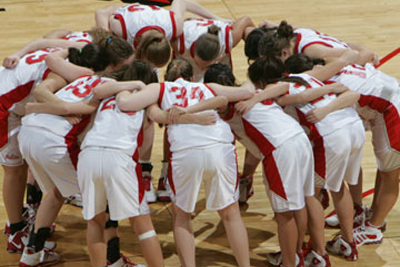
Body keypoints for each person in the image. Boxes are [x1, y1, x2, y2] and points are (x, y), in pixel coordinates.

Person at [116, 58, 254, 267]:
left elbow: (133, 106)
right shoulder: (208, 86)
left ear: (167, 77)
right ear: (192, 77)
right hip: (219, 147)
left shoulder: (160, 88)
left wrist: (127, 88)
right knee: (230, 213)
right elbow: (248, 92)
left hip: (185, 152)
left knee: (181, 215)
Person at [0, 37, 132, 254]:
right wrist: (67, 108)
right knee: (14, 171)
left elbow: (44, 44)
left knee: (37, 174)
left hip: (13, 98)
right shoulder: (81, 73)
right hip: (5, 107)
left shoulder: (77, 46)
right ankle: (16, 232)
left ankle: (25, 221)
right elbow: (41, 95)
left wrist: (19, 52)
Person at [204, 63, 329, 267]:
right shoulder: (253, 91)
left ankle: (290, 262)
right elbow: (284, 86)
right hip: (300, 140)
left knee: (284, 214)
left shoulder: (228, 105)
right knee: (300, 203)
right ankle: (297, 253)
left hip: (280, 149)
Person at [243, 55, 365, 263]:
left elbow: (289, 95)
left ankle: (316, 252)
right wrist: (327, 91)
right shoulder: (305, 77)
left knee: (310, 195)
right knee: (337, 186)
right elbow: (351, 93)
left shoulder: (276, 94)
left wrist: (255, 98)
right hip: (353, 126)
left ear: (261, 83)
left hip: (331, 133)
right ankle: (348, 242)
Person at [284, 53, 400, 246]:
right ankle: (369, 215)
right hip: (385, 105)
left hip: (392, 111)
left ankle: (374, 228)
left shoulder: (323, 82)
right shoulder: (333, 66)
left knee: (390, 173)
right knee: (384, 167)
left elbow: (352, 95)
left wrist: (323, 111)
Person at [95, 0, 227, 68]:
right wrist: (108, 41)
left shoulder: (175, 26)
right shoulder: (121, 27)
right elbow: (100, 12)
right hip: (131, 12)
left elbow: (181, 1)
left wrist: (218, 19)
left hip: (155, 17)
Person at [257, 20, 379, 66]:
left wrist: (365, 51)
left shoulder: (311, 51)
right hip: (339, 50)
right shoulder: (295, 32)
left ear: (284, 52)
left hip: (364, 78)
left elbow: (361, 56)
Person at [172, 16, 254, 81]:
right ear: (194, 51)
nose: (202, 68)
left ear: (216, 56)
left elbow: (246, 20)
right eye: (198, 63)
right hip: (186, 74)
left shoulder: (228, 38)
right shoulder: (179, 42)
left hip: (217, 77)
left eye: (207, 65)